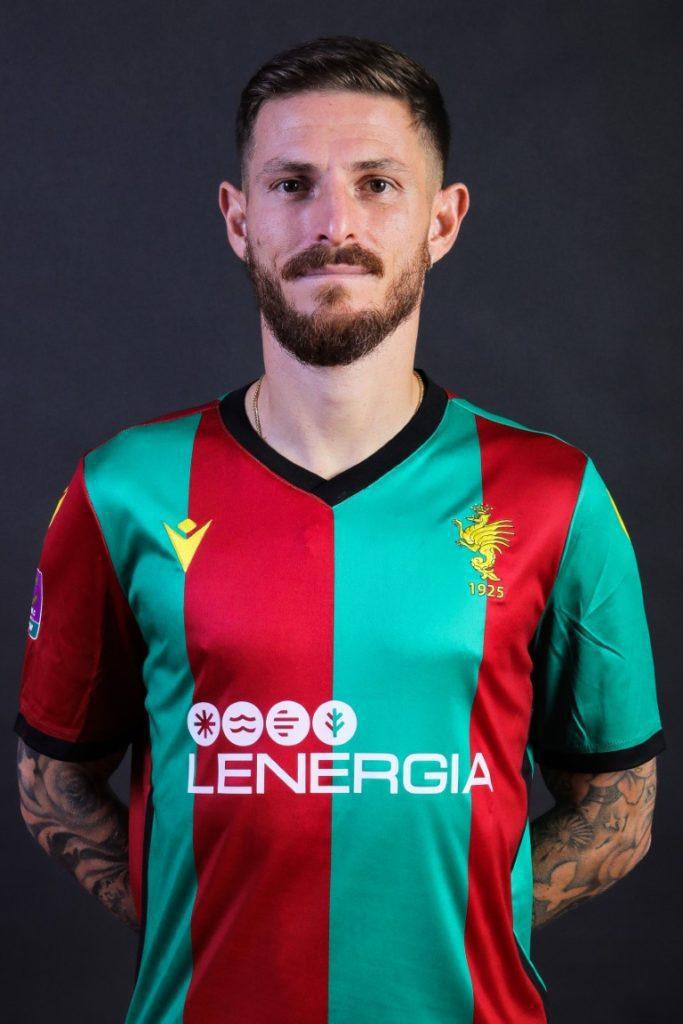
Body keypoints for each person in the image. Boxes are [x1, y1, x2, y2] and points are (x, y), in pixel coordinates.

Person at [14, 34, 665, 1024]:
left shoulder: (553, 492)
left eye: (376, 184)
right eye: (291, 185)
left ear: (441, 220)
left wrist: (444, 931)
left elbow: (618, 808)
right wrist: (211, 918)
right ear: (237, 219)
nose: (332, 223)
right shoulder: (122, 489)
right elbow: (52, 786)